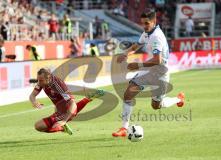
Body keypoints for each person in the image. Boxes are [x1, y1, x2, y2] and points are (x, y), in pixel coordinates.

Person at [112, 9, 185, 137]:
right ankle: (124, 128)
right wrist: (125, 54)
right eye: (142, 23)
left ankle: (178, 99)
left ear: (154, 21)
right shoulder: (147, 32)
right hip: (148, 71)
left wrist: (137, 65)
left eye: (147, 23)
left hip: (160, 74)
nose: (144, 26)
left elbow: (157, 60)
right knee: (128, 93)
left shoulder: (157, 36)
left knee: (156, 105)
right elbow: (136, 46)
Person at [29, 68, 105, 135]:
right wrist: (34, 101)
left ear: (48, 78)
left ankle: (61, 127)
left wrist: (64, 120)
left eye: (41, 80)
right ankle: (88, 98)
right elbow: (32, 96)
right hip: (59, 110)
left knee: (39, 126)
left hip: (67, 111)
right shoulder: (41, 83)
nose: (39, 82)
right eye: (38, 80)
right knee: (42, 126)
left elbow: (72, 103)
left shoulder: (57, 85)